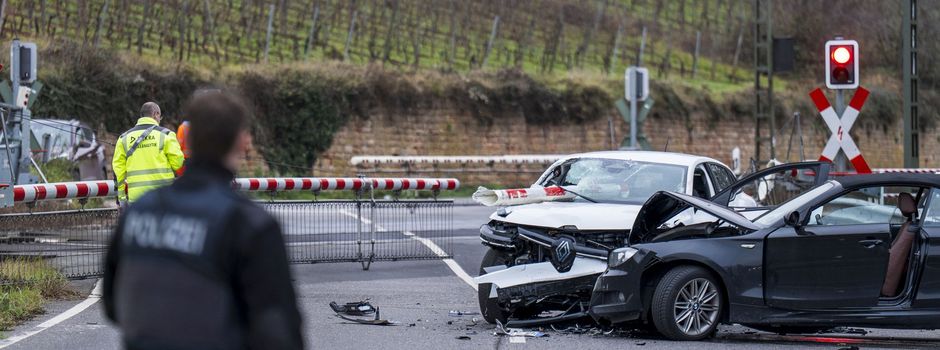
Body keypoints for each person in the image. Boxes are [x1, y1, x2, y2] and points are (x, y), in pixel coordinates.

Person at [103, 93, 304, 350]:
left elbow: (114, 306)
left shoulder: (136, 216)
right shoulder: (250, 224)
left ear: (187, 140)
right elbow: (279, 332)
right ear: (243, 142)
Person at [112, 102, 184, 203]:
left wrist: (121, 198)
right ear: (155, 114)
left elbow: (118, 171)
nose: (160, 120)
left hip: (137, 199)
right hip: (163, 197)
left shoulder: (123, 138)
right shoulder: (166, 135)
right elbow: (177, 163)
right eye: (160, 116)